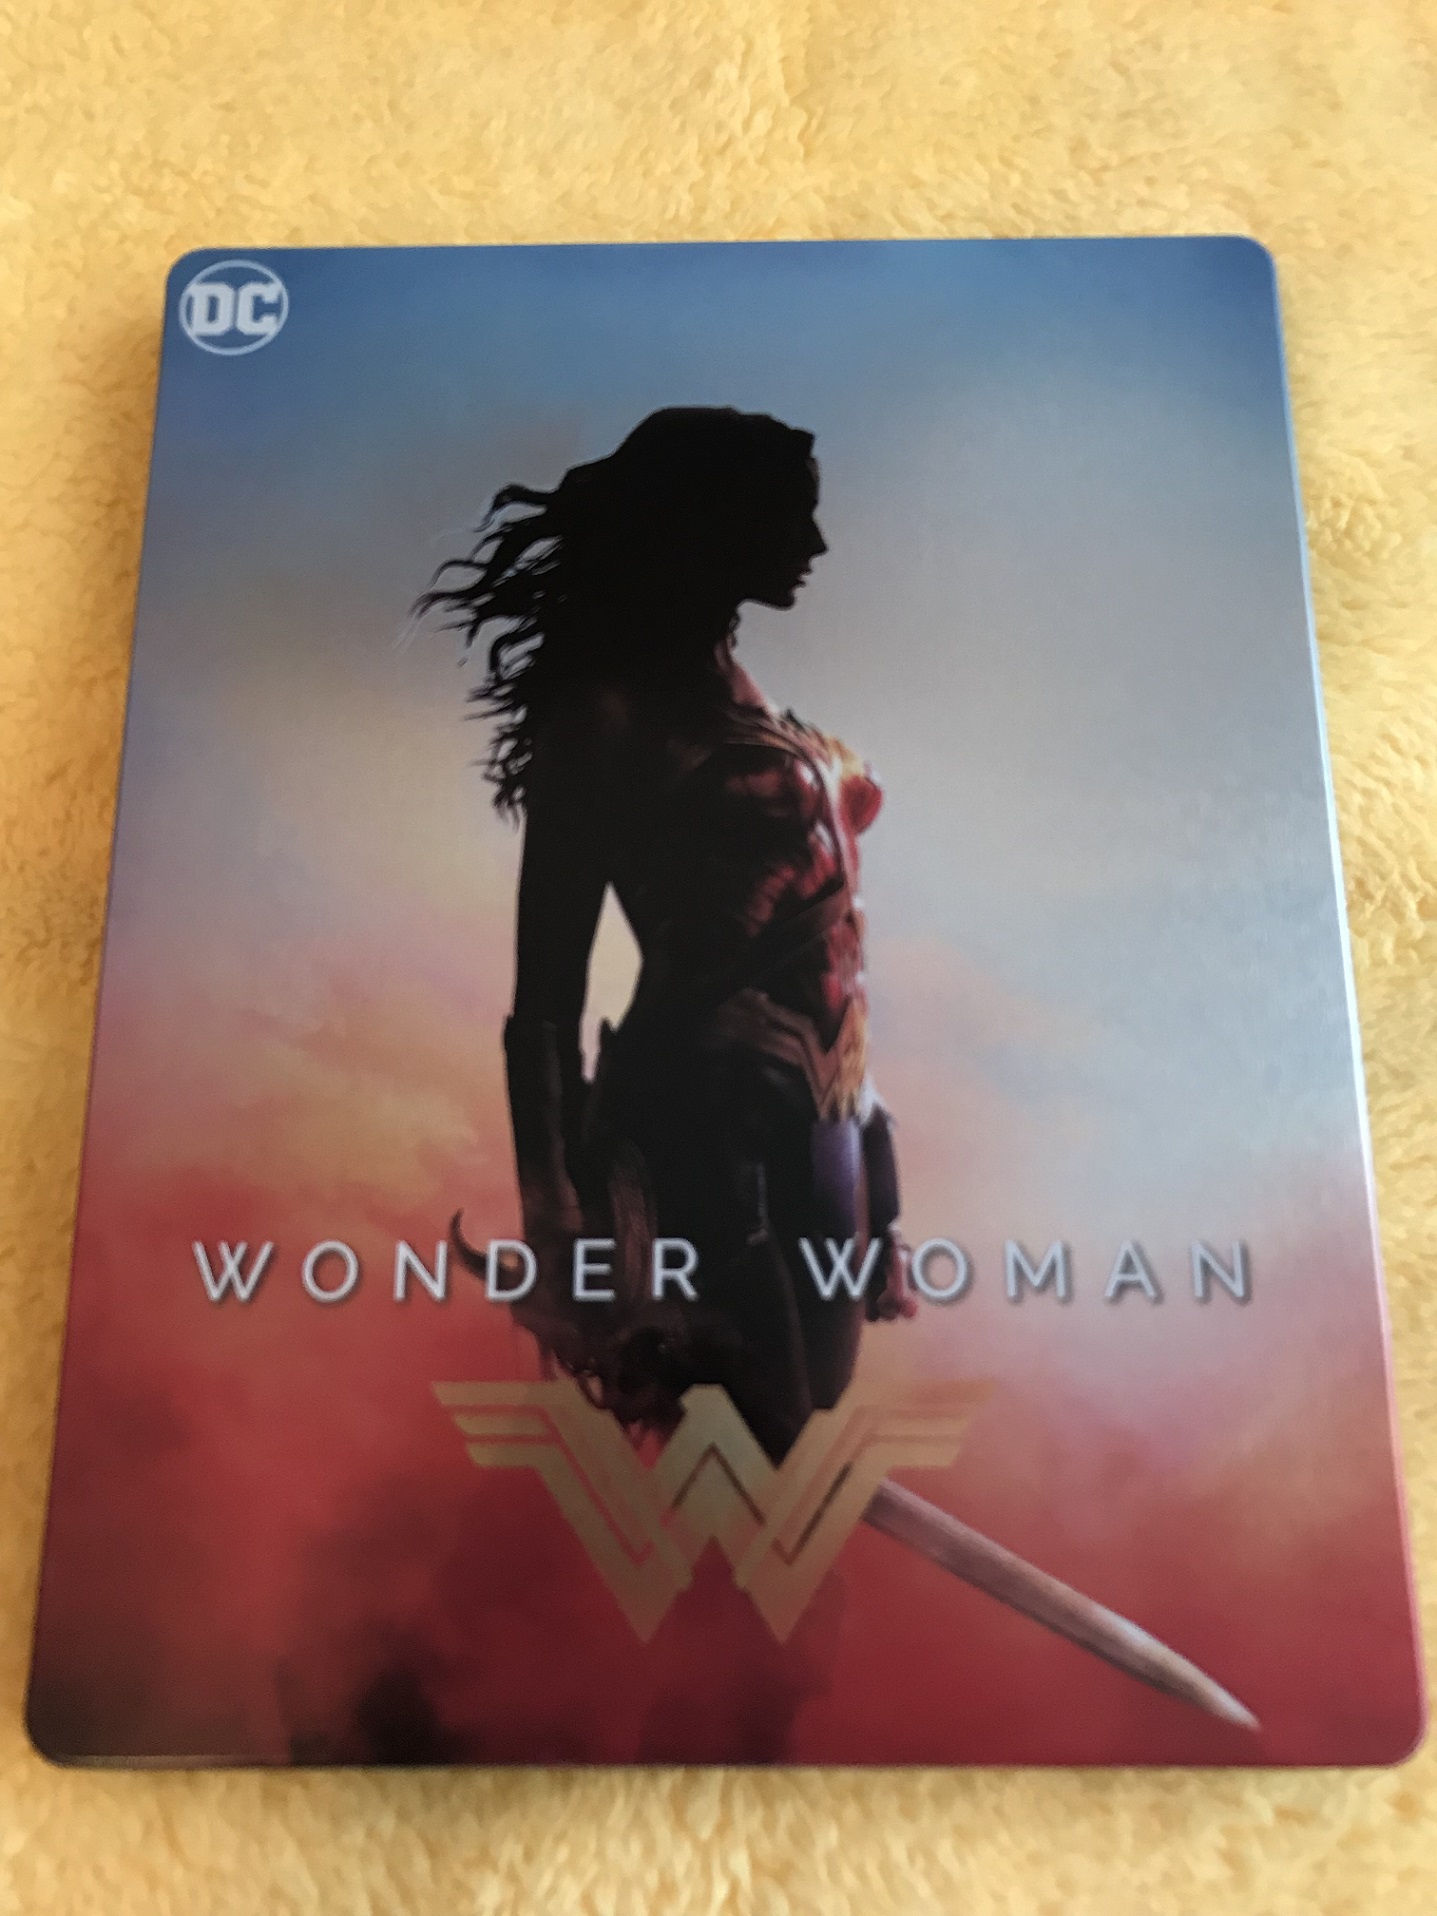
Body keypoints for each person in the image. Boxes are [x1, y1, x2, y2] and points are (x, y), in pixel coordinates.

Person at [420, 406, 914, 1463]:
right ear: (712, 521)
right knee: (778, 1454)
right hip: (700, 1123)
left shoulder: (756, 700)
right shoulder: (601, 716)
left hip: (826, 1118)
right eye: (789, 517)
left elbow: (837, 945)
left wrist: (879, 1168)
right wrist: (557, 1223)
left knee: (812, 1431)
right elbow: (546, 997)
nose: (816, 544)